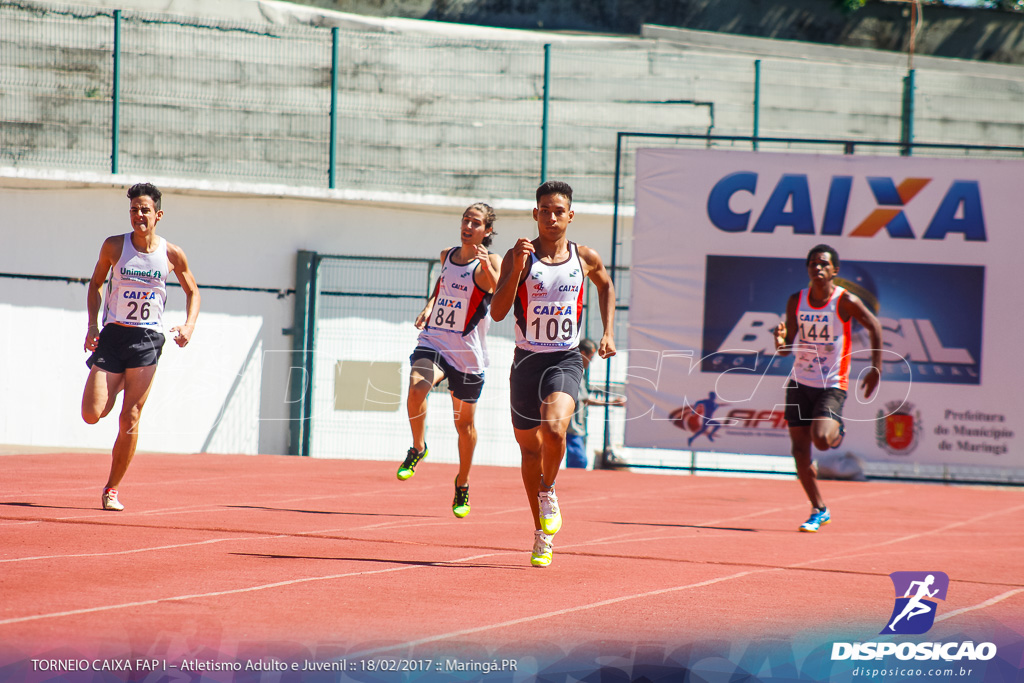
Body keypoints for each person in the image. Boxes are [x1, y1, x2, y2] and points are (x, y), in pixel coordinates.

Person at [490, 181, 617, 567]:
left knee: (556, 429)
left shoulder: (585, 258)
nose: (551, 216)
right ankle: (540, 534)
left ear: (570, 215)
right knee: (529, 450)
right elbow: (497, 312)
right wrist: (516, 269)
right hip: (526, 361)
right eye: (544, 209)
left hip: (565, 358)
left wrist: (608, 330)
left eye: (558, 210)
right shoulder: (519, 256)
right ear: (535, 214)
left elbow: (606, 285)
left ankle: (549, 489)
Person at [82, 183, 200, 512]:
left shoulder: (171, 254)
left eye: (145, 210)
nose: (139, 215)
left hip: (147, 339)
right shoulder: (114, 247)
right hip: (114, 335)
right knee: (92, 414)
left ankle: (112, 489)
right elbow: (95, 285)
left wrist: (189, 325)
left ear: (158, 215)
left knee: (130, 418)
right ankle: (115, 383)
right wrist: (92, 324)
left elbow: (194, 292)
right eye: (134, 209)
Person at [396, 203, 501, 519]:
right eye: (465, 220)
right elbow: (442, 286)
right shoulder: (447, 254)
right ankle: (418, 447)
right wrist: (429, 307)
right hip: (435, 341)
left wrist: (487, 265)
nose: (468, 226)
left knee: (464, 425)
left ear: (487, 230)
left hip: (467, 356)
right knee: (417, 387)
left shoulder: (491, 261)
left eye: (476, 222)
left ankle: (463, 482)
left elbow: (497, 290)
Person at [772, 244, 881, 533]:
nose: (817, 269)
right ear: (807, 269)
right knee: (799, 451)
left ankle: (836, 430)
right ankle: (819, 508)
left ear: (835, 270)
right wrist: (780, 341)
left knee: (821, 440)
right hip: (799, 383)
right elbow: (786, 350)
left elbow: (874, 325)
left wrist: (875, 368)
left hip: (831, 384)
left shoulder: (844, 301)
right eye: (812, 264)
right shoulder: (797, 300)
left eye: (823, 264)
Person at [564, 338, 625, 469]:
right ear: (582, 353)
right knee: (579, 461)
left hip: (576, 427)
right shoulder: (573, 371)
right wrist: (610, 403)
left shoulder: (579, 371)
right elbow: (585, 400)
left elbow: (584, 400)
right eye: (590, 357)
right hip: (571, 427)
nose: (591, 361)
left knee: (576, 461)